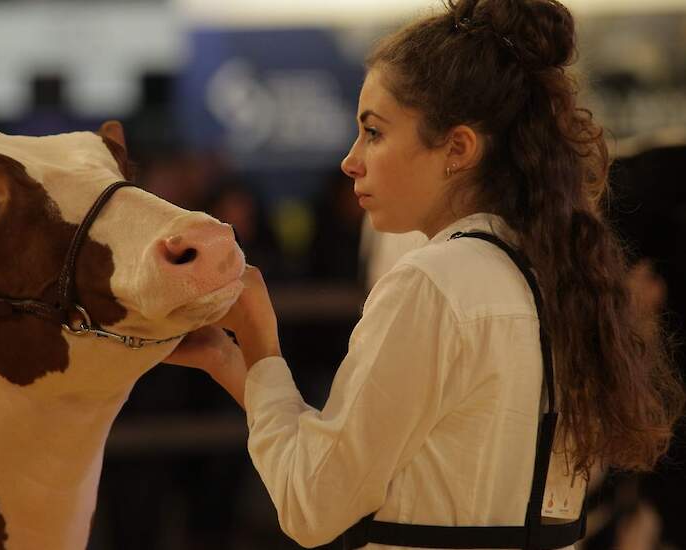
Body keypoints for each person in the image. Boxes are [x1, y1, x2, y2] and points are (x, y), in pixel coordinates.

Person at [165, 0, 685, 548]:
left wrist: (261, 342)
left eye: (374, 132)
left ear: (457, 148)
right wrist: (239, 365)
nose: (351, 161)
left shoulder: (434, 283)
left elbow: (312, 507)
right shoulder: (557, 271)